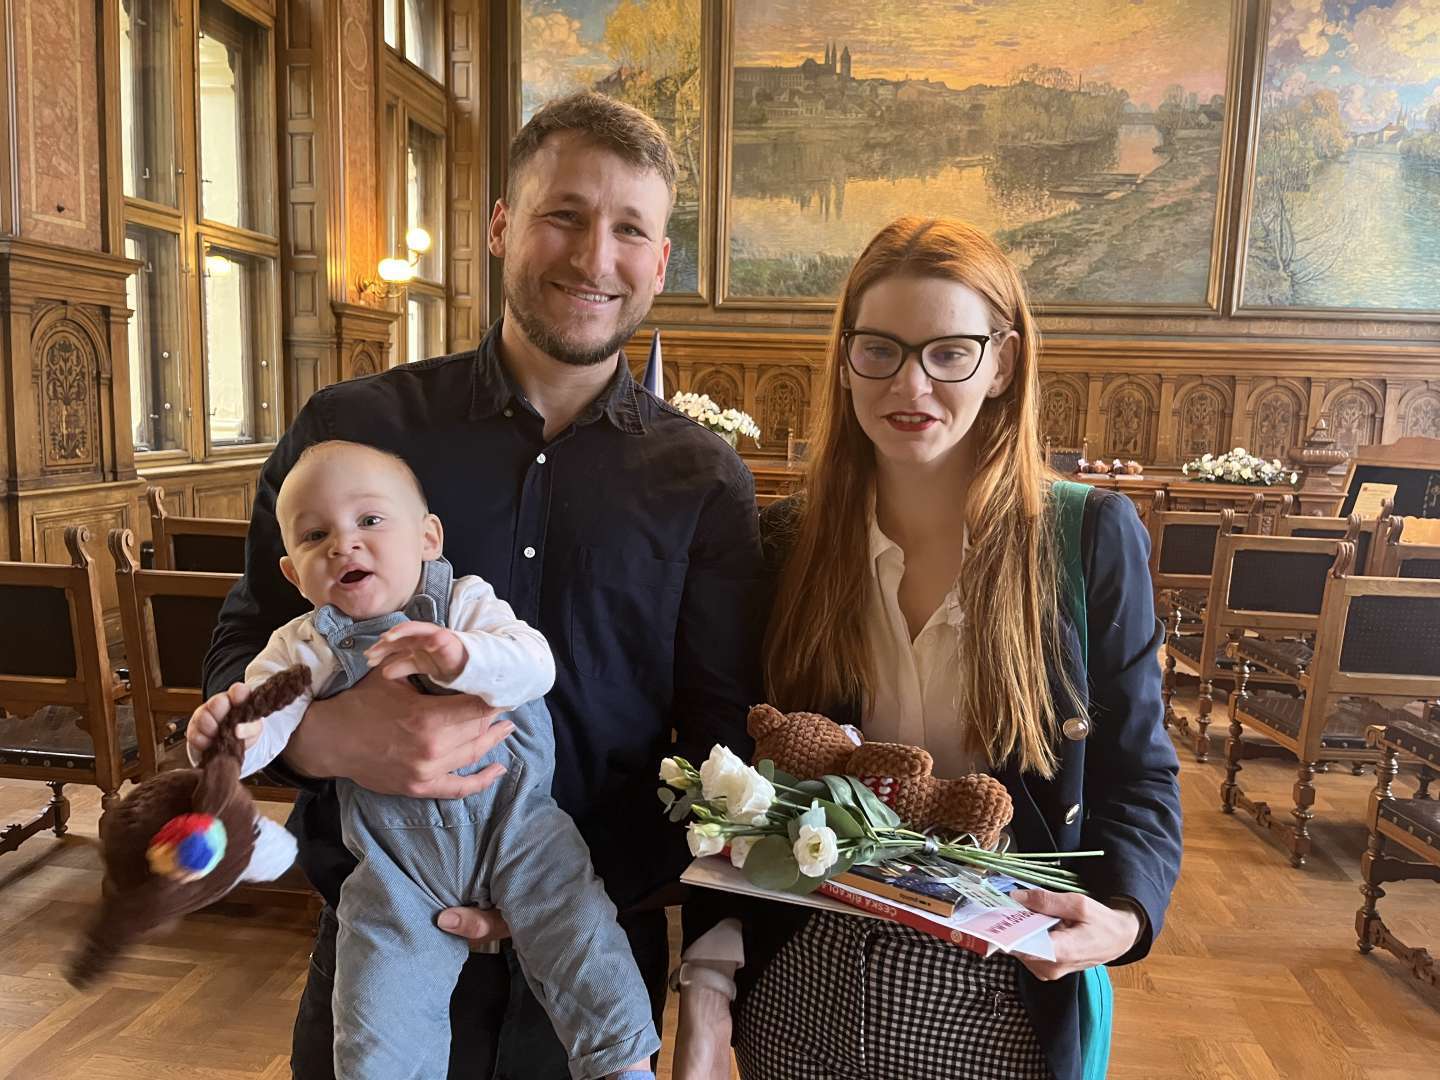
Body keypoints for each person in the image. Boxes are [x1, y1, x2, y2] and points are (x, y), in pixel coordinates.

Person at [202, 91, 764, 1078]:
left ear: (660, 261)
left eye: (630, 230)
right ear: (502, 226)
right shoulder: (351, 430)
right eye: (564, 215)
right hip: (379, 932)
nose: (594, 257)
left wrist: (568, 890)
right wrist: (330, 739)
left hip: (589, 951)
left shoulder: (705, 480)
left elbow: (719, 742)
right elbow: (242, 647)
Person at [672, 216, 1183, 1080]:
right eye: (880, 349)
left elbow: (1138, 771)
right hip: (805, 978)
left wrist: (1125, 917)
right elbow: (740, 770)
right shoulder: (787, 542)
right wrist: (709, 979)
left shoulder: (1087, 536)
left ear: (1003, 362)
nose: (911, 383)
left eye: (950, 353)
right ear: (845, 359)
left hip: (1000, 991)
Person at [189, 440, 658, 1080]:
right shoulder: (304, 647)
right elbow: (268, 718)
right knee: (376, 1002)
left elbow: (535, 665)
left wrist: (464, 656)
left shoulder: (465, 604)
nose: (343, 544)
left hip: (518, 827)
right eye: (316, 535)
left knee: (579, 933)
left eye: (369, 520)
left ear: (428, 538)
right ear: (294, 575)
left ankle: (621, 1062)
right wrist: (228, 740)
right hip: (395, 863)